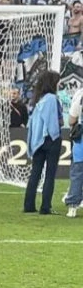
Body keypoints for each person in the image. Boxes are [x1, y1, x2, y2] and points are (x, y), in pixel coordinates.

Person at [23, 69, 62, 216]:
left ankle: (29, 205)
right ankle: (45, 207)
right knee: (50, 174)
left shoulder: (38, 99)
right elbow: (52, 121)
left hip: (38, 141)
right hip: (50, 140)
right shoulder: (51, 98)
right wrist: (56, 136)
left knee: (35, 173)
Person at [64, 85, 83, 219]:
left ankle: (72, 207)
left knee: (77, 175)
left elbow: (71, 119)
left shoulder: (80, 95)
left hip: (81, 144)